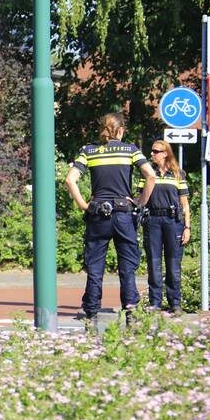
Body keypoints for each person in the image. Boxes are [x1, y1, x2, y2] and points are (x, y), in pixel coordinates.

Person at [64, 112, 156, 329]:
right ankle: (131, 315)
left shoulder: (89, 151)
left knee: (95, 269)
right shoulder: (131, 150)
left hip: (97, 215)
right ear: (121, 130)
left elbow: (70, 179)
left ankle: (91, 316)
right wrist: (140, 202)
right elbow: (151, 176)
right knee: (127, 269)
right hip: (123, 214)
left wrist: (84, 205)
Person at [136, 140, 190, 313]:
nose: (152, 154)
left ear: (166, 153)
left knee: (173, 264)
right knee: (154, 263)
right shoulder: (147, 173)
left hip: (173, 221)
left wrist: (187, 227)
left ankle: (175, 303)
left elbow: (185, 204)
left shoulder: (178, 174)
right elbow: (140, 198)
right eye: (151, 151)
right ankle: (155, 303)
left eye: (156, 151)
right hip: (152, 220)